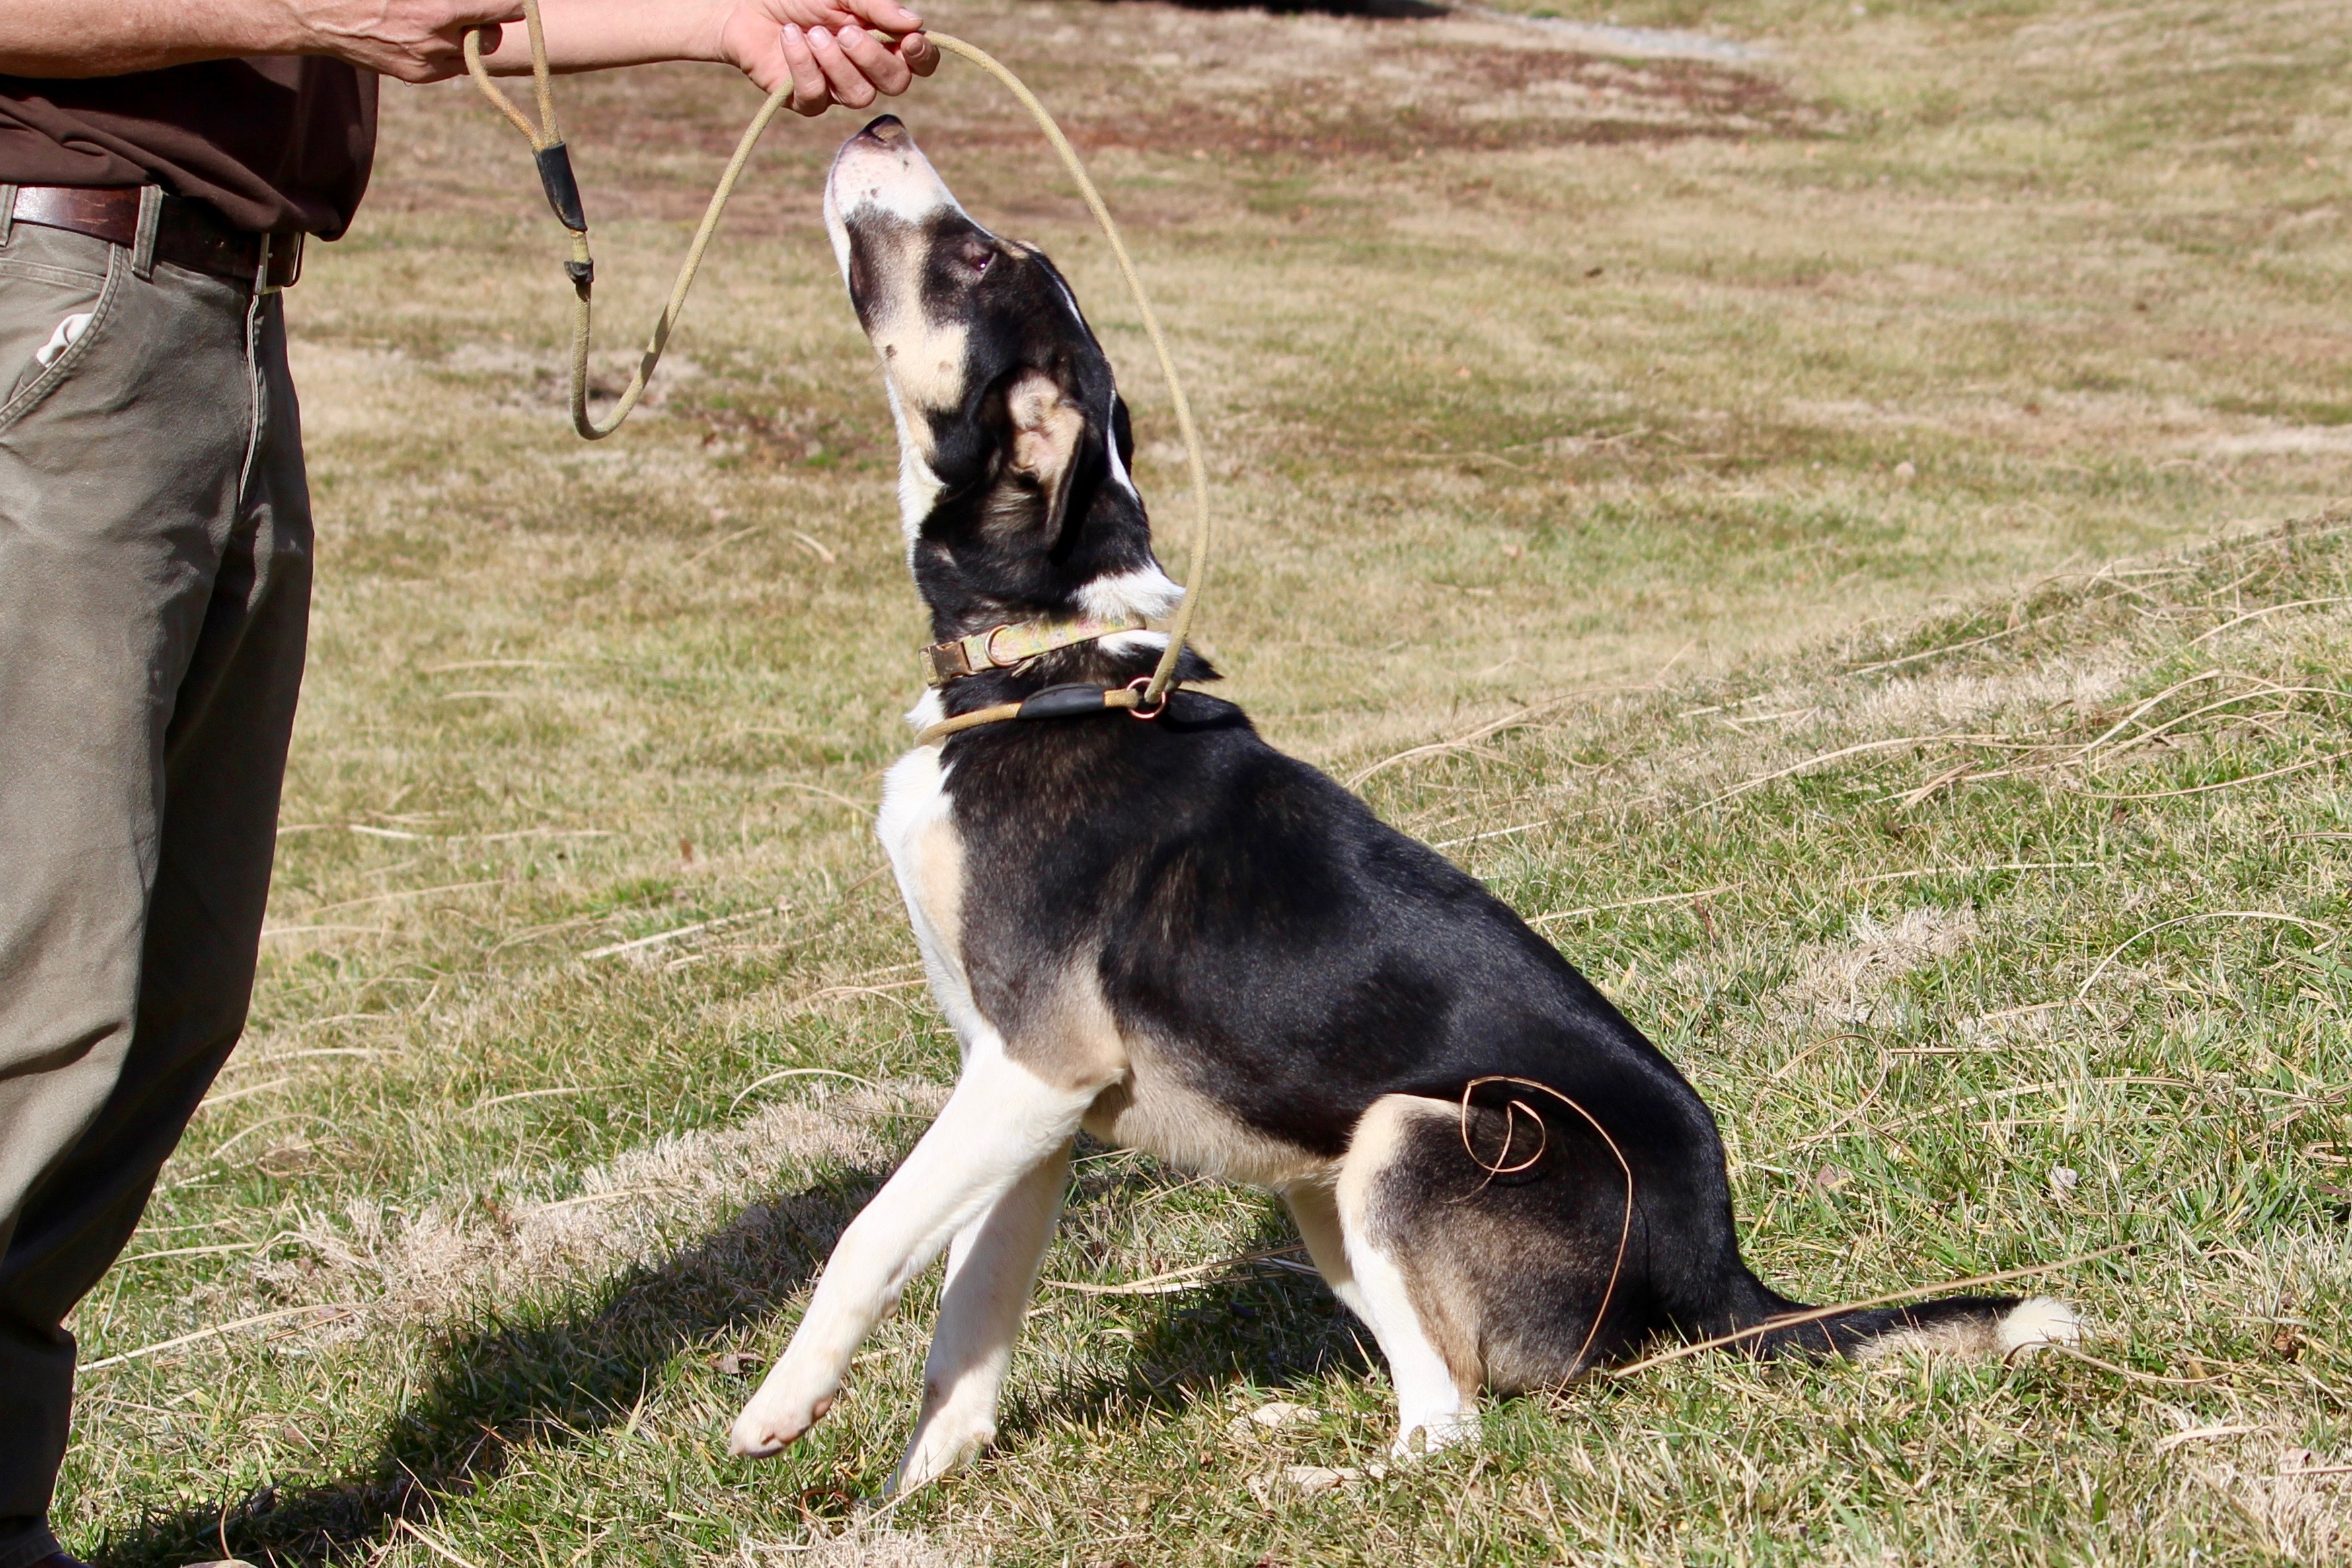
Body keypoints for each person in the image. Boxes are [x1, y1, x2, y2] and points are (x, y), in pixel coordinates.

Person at [0, 6, 934, 1565]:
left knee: (164, 998)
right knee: (39, 981)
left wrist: (732, 26)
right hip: (58, 301)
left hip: (217, 326)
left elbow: (437, 20)